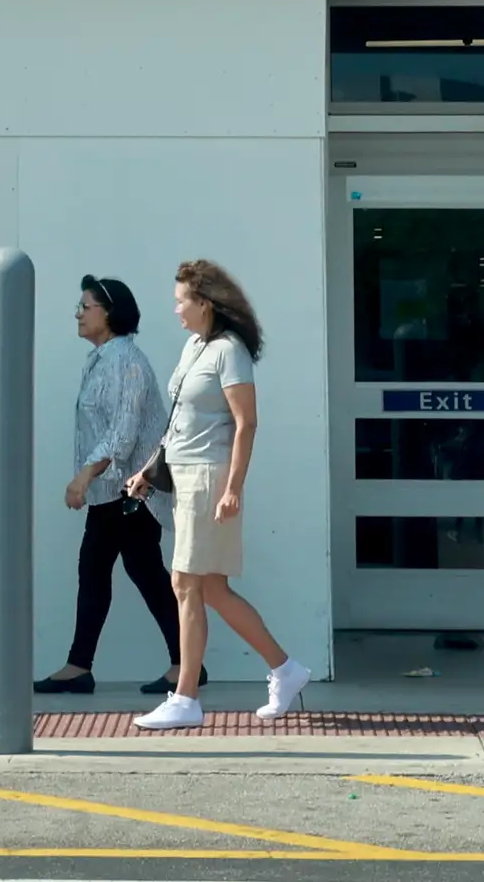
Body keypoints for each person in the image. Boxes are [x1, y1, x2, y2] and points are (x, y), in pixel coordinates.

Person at [127, 256, 310, 730]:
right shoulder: (195, 347)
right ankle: (286, 669)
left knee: (186, 583)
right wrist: (150, 469)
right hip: (184, 475)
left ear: (204, 302)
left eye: (181, 301)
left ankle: (185, 697)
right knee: (210, 587)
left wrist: (233, 488)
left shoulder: (230, 351)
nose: (176, 310)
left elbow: (246, 423)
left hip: (209, 478)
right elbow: (177, 424)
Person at [36, 274, 178, 697]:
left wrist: (83, 476)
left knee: (142, 573)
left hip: (131, 493)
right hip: (112, 494)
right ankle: (80, 665)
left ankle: (184, 662)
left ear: (110, 313)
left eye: (86, 307)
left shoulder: (125, 360)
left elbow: (124, 433)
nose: (78, 314)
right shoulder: (102, 358)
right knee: (104, 572)